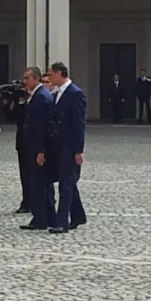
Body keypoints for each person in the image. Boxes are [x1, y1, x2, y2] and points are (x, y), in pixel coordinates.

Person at [47, 62, 87, 234]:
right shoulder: (57, 93)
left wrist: (78, 150)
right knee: (68, 181)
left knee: (65, 183)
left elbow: (78, 124)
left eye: (51, 75)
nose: (49, 78)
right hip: (58, 144)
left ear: (59, 73)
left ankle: (61, 221)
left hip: (69, 145)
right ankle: (78, 215)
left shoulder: (75, 93)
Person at [19, 67, 55, 231]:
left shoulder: (40, 97)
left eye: (27, 78)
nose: (24, 81)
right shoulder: (39, 95)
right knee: (42, 183)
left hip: (37, 147)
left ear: (36, 79)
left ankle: (40, 218)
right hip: (35, 146)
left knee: (38, 183)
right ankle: (47, 217)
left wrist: (40, 150)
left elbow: (41, 127)